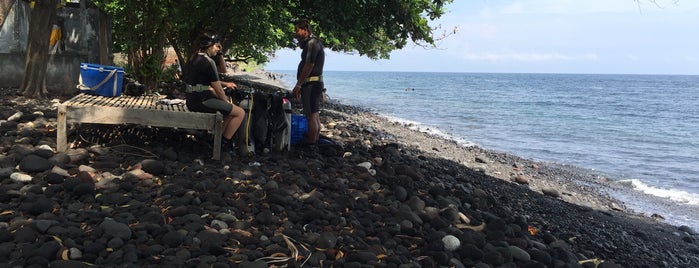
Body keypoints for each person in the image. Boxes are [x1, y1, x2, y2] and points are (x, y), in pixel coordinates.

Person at [183, 34, 245, 154]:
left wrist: (225, 84)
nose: (218, 49)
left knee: (228, 113)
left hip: (192, 99)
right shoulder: (208, 62)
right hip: (201, 100)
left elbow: (205, 79)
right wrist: (226, 102)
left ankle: (215, 140)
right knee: (239, 113)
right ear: (209, 46)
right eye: (216, 46)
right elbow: (218, 89)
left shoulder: (195, 58)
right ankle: (225, 145)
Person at [292, 19, 325, 145]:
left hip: (311, 84)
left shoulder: (312, 43)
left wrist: (299, 84)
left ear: (305, 30)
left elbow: (309, 65)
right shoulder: (313, 43)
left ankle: (311, 145)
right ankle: (315, 142)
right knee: (315, 115)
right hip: (315, 84)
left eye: (297, 30)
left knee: (310, 116)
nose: (296, 34)